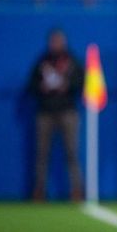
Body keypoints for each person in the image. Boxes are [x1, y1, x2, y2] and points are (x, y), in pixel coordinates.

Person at [26, 28, 85, 202]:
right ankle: (39, 191)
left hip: (67, 111)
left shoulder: (72, 61)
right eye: (54, 40)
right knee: (42, 154)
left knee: (72, 153)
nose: (56, 44)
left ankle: (76, 191)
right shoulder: (43, 61)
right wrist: (42, 88)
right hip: (45, 112)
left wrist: (67, 85)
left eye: (59, 40)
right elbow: (31, 85)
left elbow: (81, 82)